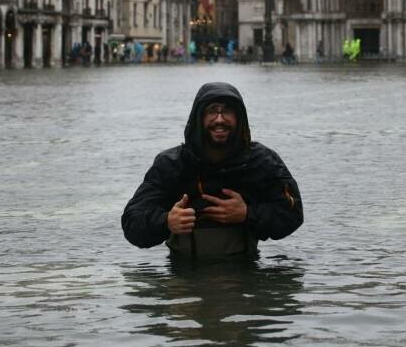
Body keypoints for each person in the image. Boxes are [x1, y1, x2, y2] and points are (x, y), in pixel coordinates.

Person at [122, 82, 303, 259]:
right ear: (198, 118)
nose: (219, 119)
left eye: (227, 111)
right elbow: (131, 222)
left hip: (244, 274)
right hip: (183, 276)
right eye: (211, 111)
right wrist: (167, 221)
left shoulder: (262, 162)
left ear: (240, 118)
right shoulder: (171, 164)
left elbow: (292, 214)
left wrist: (247, 213)